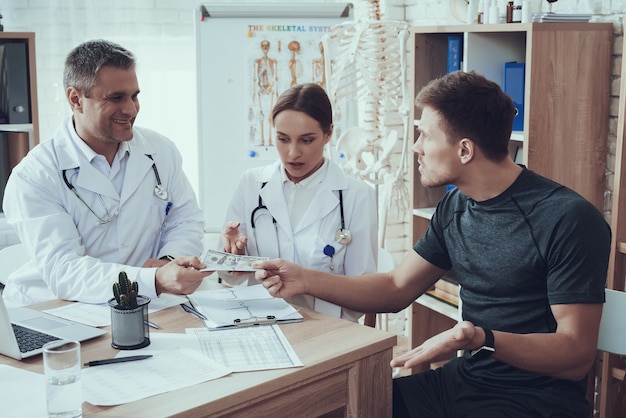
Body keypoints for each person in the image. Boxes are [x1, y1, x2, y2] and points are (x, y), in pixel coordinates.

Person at [254, 71, 611, 417]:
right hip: (464, 382)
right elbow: (396, 287)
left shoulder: (567, 218)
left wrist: (479, 338)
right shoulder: (455, 207)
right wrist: (303, 279)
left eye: (425, 136)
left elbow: (576, 356)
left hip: (535, 399)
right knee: (340, 408)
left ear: (465, 150)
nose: (416, 147)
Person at [2, 40, 211, 308]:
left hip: (137, 304)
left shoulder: (160, 151)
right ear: (76, 99)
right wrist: (153, 279)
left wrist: (169, 262)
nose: (131, 109)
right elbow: (64, 270)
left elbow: (185, 219)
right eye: (116, 98)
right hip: (53, 310)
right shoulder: (35, 176)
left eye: (134, 96)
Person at [220, 83, 378, 322]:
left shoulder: (357, 195)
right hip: (260, 322)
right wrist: (235, 256)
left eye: (306, 140)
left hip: (328, 328)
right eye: (283, 139)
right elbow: (231, 278)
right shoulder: (251, 184)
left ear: (328, 133)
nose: (293, 153)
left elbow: (362, 294)